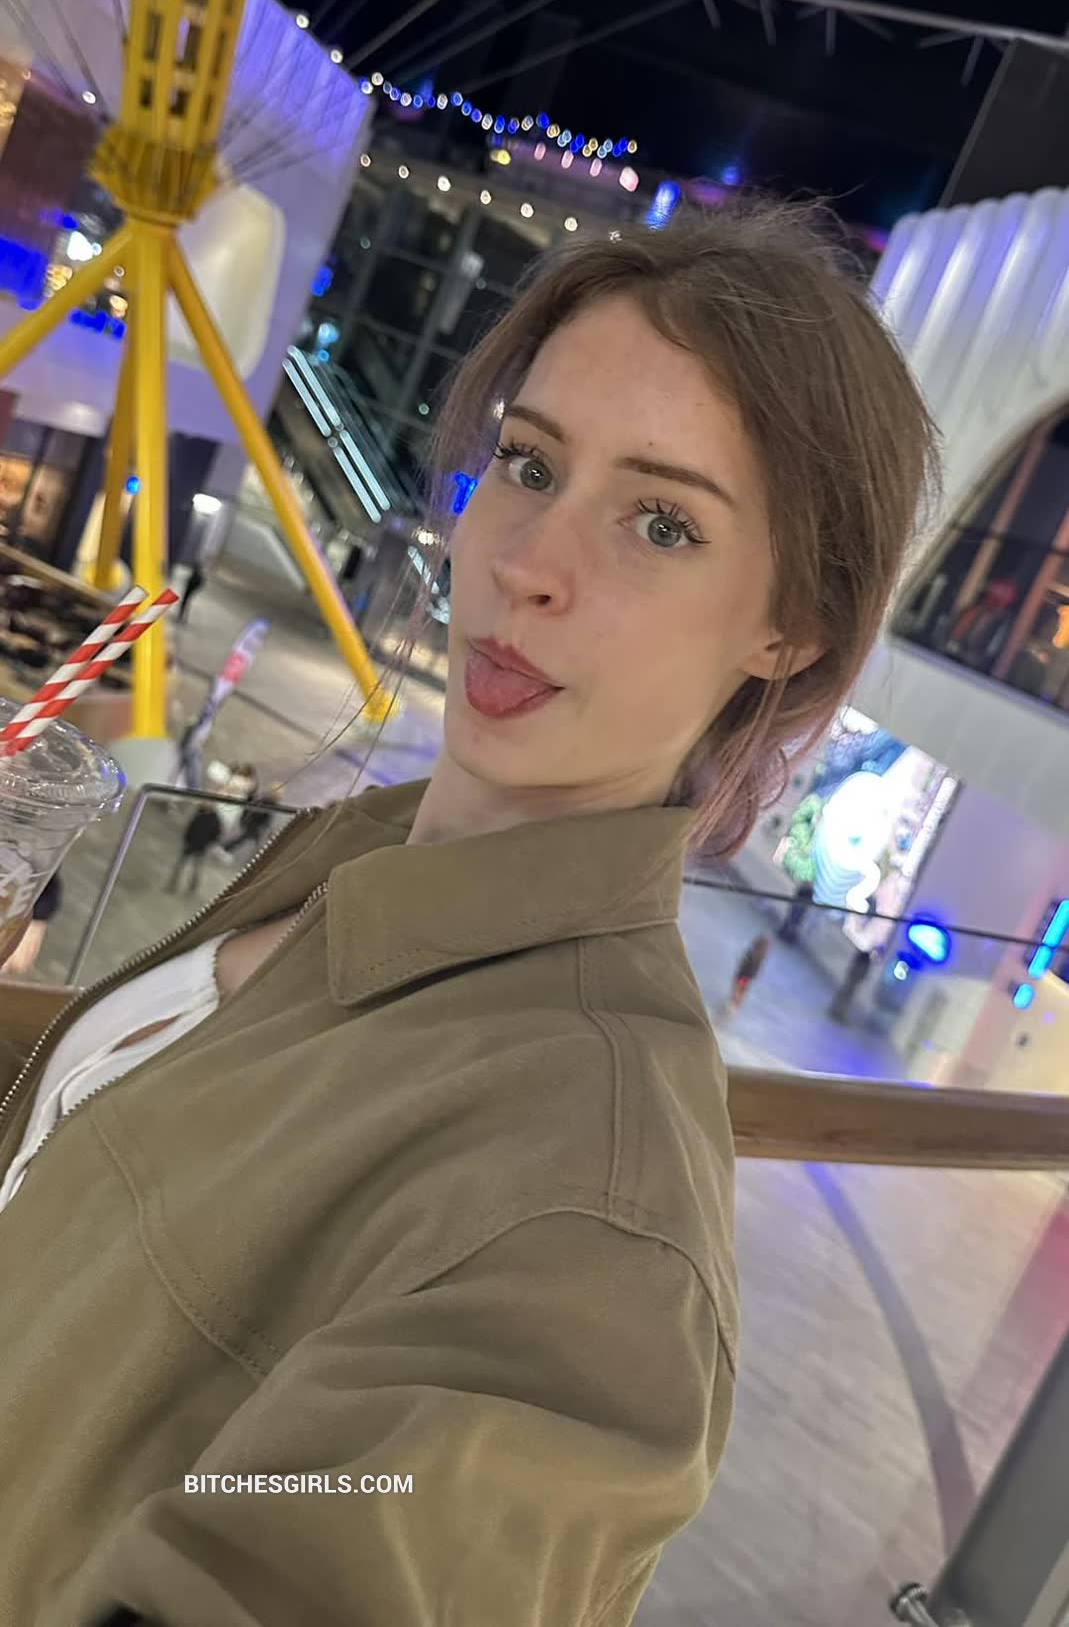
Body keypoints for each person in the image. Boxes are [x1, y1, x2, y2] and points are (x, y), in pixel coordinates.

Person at [0, 201, 939, 1624]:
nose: (526, 560)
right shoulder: (349, 863)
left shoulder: (592, 1224)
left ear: (789, 628)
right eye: (529, 463)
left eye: (662, 522)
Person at [168, 799, 222, 894]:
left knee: (196, 868)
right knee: (180, 865)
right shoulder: (198, 813)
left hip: (201, 847)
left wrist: (206, 844)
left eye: (209, 802)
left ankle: (192, 887)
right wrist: (187, 838)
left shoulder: (215, 819)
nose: (206, 803)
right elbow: (190, 827)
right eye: (206, 802)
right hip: (190, 844)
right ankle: (172, 884)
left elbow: (216, 835)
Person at [828, 945, 878, 1025]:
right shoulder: (865, 957)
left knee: (846, 991)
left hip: (853, 976)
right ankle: (838, 1011)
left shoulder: (863, 954)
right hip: (855, 977)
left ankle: (836, 1009)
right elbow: (861, 969)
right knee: (847, 992)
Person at [726, 932, 771, 1016]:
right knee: (742, 990)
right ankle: (735, 1006)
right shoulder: (761, 957)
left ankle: (733, 1005)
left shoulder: (752, 953)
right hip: (749, 977)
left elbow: (744, 963)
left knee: (737, 988)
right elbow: (757, 970)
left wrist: (741, 967)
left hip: (743, 974)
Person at [778, 878, 815, 943]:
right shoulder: (808, 890)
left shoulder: (807, 889)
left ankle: (786, 934)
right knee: (792, 920)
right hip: (799, 907)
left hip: (799, 907)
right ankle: (786, 934)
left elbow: (798, 895)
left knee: (793, 921)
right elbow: (799, 895)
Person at [177, 556, 205, 625]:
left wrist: (192, 590)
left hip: (189, 591)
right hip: (189, 590)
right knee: (184, 603)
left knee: (184, 604)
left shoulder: (197, 575)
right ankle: (181, 617)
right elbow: (197, 583)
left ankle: (181, 617)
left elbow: (198, 584)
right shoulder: (196, 574)